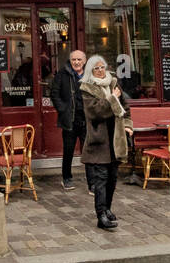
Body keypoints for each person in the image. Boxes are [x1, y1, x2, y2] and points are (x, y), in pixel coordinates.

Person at [80, 55, 130, 231]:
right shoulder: (87, 88)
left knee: (113, 177)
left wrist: (128, 126)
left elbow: (126, 109)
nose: (101, 71)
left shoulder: (113, 84)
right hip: (99, 139)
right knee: (101, 178)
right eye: (97, 68)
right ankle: (100, 215)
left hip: (116, 138)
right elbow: (96, 112)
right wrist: (112, 99)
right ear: (90, 71)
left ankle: (107, 208)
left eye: (103, 67)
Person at [49, 49, 87, 191]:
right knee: (69, 150)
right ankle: (67, 178)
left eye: (79, 59)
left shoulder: (89, 75)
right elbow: (54, 93)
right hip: (69, 119)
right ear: (70, 61)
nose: (76, 62)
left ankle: (92, 182)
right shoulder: (62, 74)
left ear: (84, 61)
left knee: (89, 151)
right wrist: (63, 109)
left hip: (86, 119)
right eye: (74, 60)